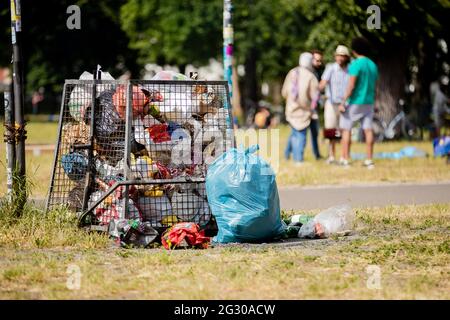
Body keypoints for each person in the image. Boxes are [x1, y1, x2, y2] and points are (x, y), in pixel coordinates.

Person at [338, 37, 378, 169]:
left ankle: (345, 158)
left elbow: (351, 86)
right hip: (369, 101)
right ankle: (369, 159)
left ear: (354, 50)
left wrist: (343, 101)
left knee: (346, 129)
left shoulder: (355, 64)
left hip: (355, 101)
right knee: (368, 130)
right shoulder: (373, 65)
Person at [282, 52, 319, 164]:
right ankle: (298, 159)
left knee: (295, 132)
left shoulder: (292, 72)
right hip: (303, 111)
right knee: (301, 135)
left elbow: (284, 92)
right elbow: (314, 97)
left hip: (291, 108)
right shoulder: (311, 76)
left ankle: (287, 154)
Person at [319, 45, 351, 164]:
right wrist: (318, 88)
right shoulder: (331, 68)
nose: (339, 58)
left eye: (342, 56)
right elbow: (323, 82)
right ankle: (331, 155)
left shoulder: (350, 69)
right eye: (338, 55)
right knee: (331, 130)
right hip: (331, 103)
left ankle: (344, 156)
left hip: (345, 104)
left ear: (346, 57)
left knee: (344, 131)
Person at [309, 50, 324, 160]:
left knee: (315, 131)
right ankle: (288, 154)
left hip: (314, 106)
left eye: (320, 61)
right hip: (306, 107)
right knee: (298, 132)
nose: (319, 63)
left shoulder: (319, 72)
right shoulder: (306, 72)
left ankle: (317, 154)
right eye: (317, 60)